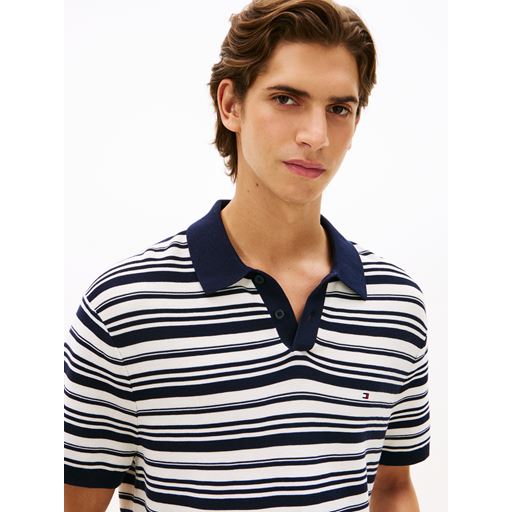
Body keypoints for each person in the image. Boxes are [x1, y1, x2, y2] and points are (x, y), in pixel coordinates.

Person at [64, 0, 430, 510]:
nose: (316, 136)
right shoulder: (126, 308)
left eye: (338, 109)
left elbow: (392, 489)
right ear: (230, 104)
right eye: (286, 99)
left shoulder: (396, 305)